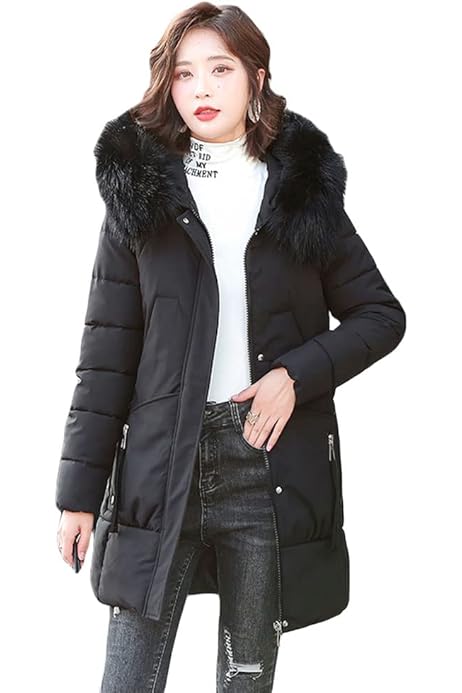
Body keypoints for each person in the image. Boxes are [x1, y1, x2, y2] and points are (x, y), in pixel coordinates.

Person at [55, 3, 407, 691]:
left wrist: (295, 375)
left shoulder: (299, 193)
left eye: (220, 69)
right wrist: (77, 495)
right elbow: (106, 356)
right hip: (161, 467)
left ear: (256, 77)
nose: (202, 89)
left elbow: (380, 314)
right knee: (126, 678)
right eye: (184, 74)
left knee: (245, 681)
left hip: (265, 465)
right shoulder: (141, 193)